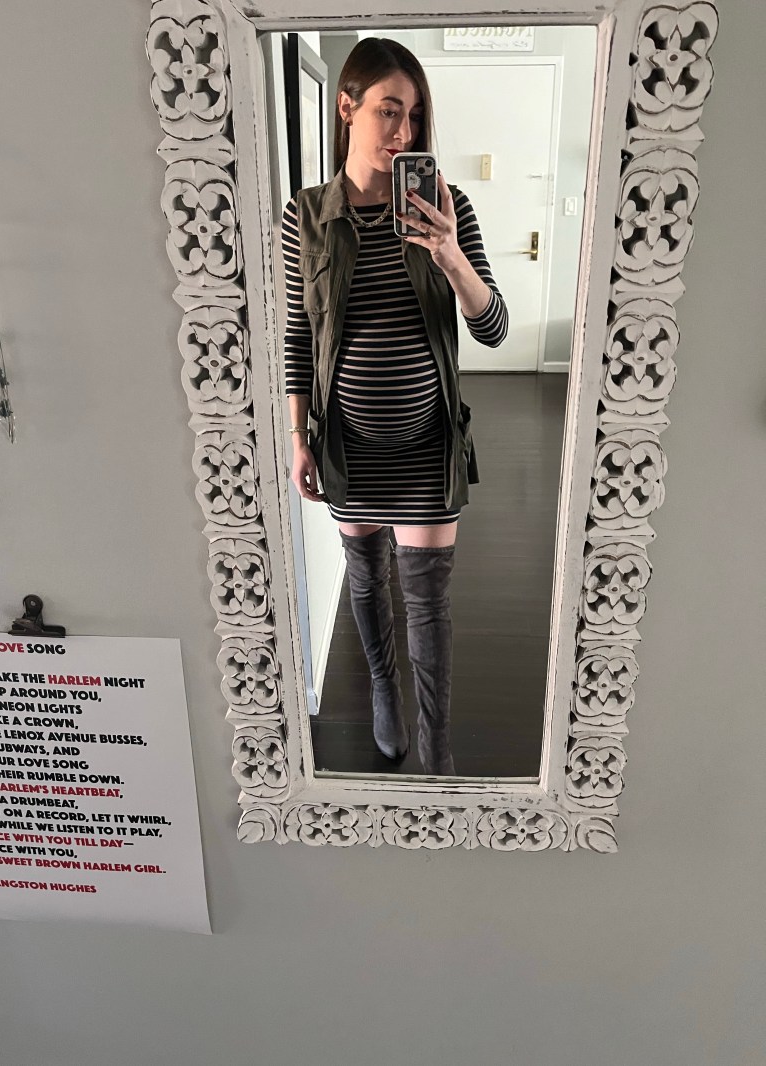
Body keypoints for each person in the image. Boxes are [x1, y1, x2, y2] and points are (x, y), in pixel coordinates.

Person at [281, 37, 508, 775]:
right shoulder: (305, 217)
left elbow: (493, 328)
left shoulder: (448, 207)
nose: (404, 132)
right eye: (388, 110)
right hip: (347, 443)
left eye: (414, 116)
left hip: (426, 441)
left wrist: (450, 255)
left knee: (428, 603)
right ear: (346, 107)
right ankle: (384, 690)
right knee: (367, 578)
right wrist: (297, 435)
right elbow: (296, 333)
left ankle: (436, 744)